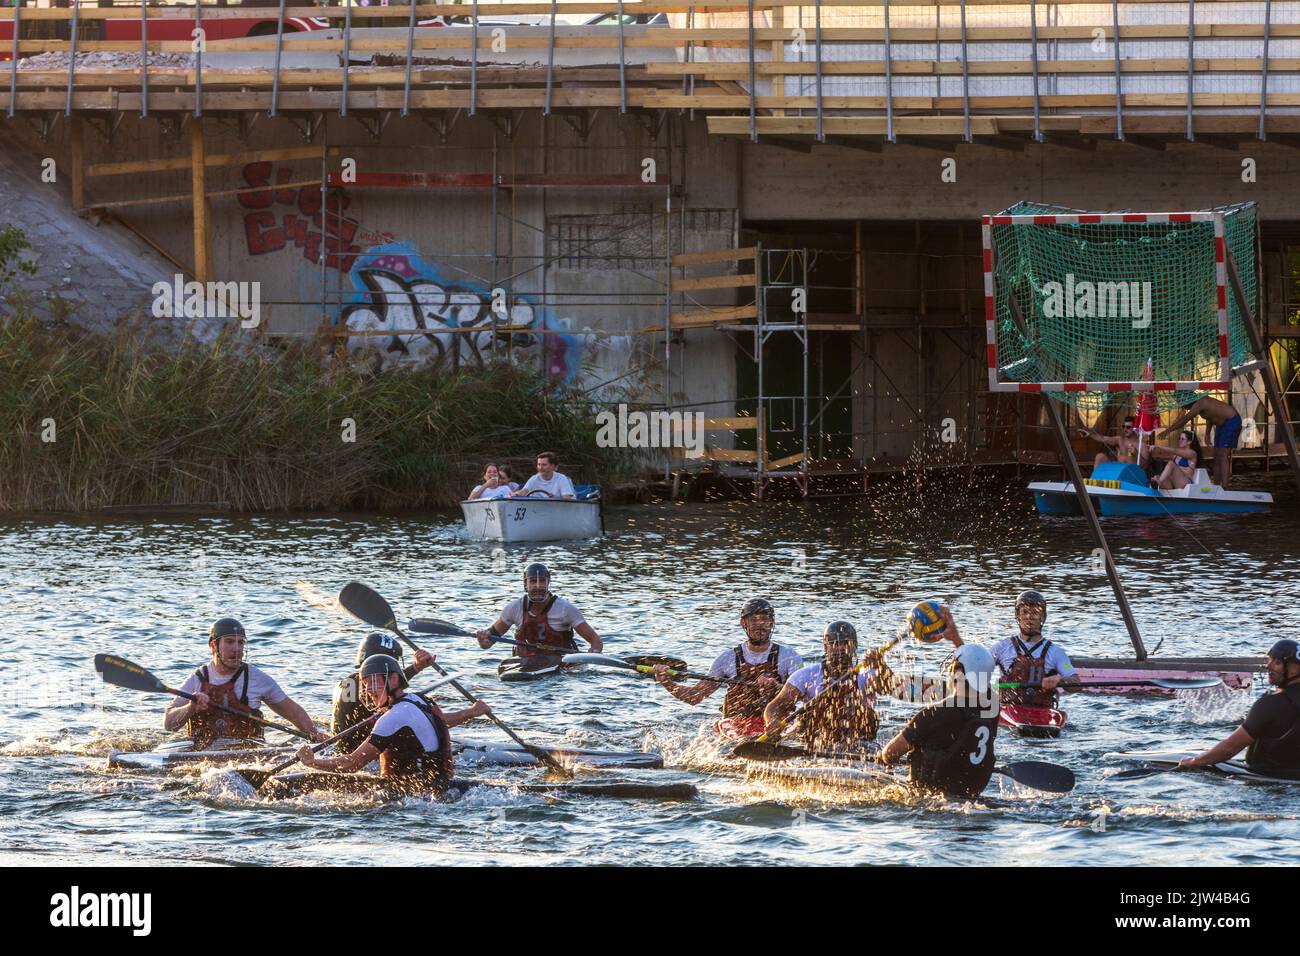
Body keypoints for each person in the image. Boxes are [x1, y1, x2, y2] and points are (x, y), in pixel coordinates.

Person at [297, 654, 489, 793]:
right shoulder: (419, 700)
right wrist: (472, 712)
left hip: (411, 794)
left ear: (394, 679)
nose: (367, 691)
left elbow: (353, 763)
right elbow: (442, 721)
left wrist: (313, 763)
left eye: (372, 683)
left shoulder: (392, 718)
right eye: (364, 685)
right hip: (441, 785)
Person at [164, 617, 327, 749]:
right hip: (203, 754)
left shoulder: (258, 678)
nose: (237, 649)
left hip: (248, 754)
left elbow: (295, 714)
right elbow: (169, 724)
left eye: (241, 642)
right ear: (213, 645)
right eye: (229, 642)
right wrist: (190, 708)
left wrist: (315, 734)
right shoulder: (197, 679)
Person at [652, 598, 802, 733]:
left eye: (765, 620)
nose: (760, 625)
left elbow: (803, 694)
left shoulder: (789, 656)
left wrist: (777, 687)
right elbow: (694, 697)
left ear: (772, 623)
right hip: (738, 723)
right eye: (754, 620)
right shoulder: (726, 658)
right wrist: (666, 682)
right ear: (743, 623)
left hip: (775, 721)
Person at [878, 642, 1000, 799]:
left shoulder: (933, 714)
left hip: (929, 800)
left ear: (958, 673)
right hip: (971, 794)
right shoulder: (992, 711)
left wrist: (882, 757)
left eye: (953, 665)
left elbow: (890, 753)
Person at [1180, 640, 1300, 778]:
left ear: (1296, 668)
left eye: (1277, 662)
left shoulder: (1270, 704)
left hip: (1265, 783)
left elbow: (1229, 749)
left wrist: (1194, 762)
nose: (1268, 666)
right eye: (1269, 660)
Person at [762, 621, 890, 750]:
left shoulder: (869, 674)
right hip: (815, 741)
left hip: (860, 742)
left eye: (845, 643)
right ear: (825, 648)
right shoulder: (805, 676)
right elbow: (774, 706)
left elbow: (892, 688)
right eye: (834, 644)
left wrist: (882, 667)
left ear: (854, 647)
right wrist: (772, 722)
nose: (840, 648)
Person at [331, 632, 437, 754]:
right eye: (393, 662)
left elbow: (389, 682)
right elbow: (388, 684)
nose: (396, 667)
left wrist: (417, 667)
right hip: (356, 751)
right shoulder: (353, 685)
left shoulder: (355, 681)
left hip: (353, 745)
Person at [475, 563, 603, 661]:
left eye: (542, 581)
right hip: (525, 664)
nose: (537, 586)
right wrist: (483, 641)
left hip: (560, 667)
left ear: (548, 583)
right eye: (532, 581)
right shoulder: (513, 608)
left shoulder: (566, 609)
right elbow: (488, 642)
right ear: (525, 585)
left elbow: (596, 641)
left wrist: (592, 655)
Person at [989, 590, 1079, 708]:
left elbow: (1076, 683)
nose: (1029, 617)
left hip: (1043, 712)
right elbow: (978, 669)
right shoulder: (1001, 648)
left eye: (1035, 613)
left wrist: (1060, 680)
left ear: (1042, 616)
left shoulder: (1057, 653)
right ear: (1017, 616)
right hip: (1008, 710)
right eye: (1024, 612)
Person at [1160, 395, 1241, 487]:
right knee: (1217, 456)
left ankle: (1225, 487)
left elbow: (1184, 420)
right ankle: (1217, 486)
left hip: (1231, 421)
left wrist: (1168, 430)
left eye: (1183, 405)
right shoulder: (1201, 405)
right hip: (1221, 425)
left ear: (1188, 401)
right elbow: (1210, 417)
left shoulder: (1200, 403)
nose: (1183, 408)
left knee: (1223, 455)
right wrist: (1207, 433)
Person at [1078, 414, 1144, 471]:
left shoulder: (1142, 445)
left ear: (1135, 428)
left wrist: (1136, 453)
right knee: (1100, 456)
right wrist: (1090, 434)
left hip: (1132, 474)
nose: (1125, 429)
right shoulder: (1120, 440)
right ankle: (1096, 482)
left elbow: (1145, 465)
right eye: (1124, 427)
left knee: (1130, 455)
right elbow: (1104, 438)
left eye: (1128, 427)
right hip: (1117, 471)